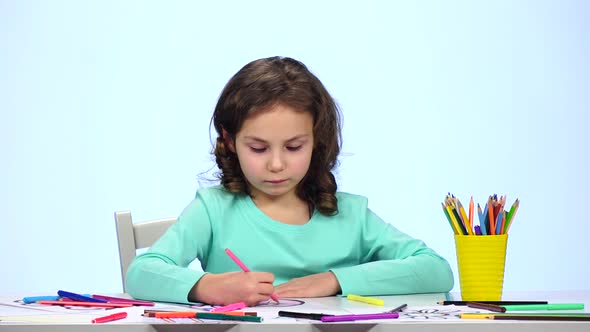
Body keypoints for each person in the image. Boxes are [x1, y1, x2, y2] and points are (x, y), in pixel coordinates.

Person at [126, 56, 454, 306]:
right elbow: (140, 273)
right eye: (258, 148)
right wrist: (207, 287)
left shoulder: (351, 216)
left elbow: (435, 270)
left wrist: (335, 280)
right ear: (229, 140)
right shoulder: (213, 210)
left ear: (317, 140)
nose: (276, 164)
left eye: (294, 147)